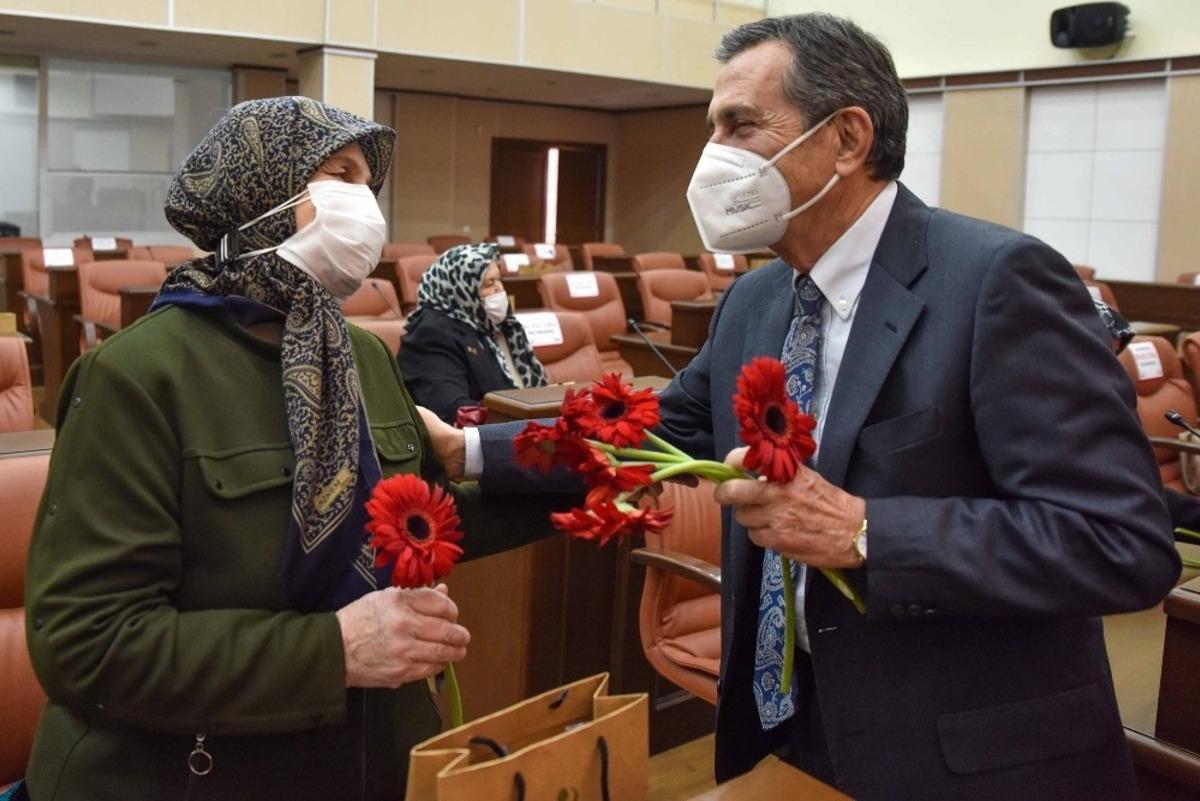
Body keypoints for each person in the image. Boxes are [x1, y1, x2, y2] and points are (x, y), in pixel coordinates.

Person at [425, 13, 1180, 801]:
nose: (711, 156)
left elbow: (1122, 540)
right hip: (793, 724)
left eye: (740, 125)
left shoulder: (998, 282)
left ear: (848, 138)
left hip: (971, 755)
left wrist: (863, 530)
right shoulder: (755, 299)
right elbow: (648, 429)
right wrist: (469, 451)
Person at [22, 97, 570, 801]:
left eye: (368, 184)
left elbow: (428, 517)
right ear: (260, 196)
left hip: (366, 756)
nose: (364, 203)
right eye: (339, 175)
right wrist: (334, 651)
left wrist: (592, 482)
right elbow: (86, 642)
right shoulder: (138, 374)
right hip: (194, 770)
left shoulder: (364, 356)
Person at [399, 243, 549, 424]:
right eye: (489, 283)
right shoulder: (431, 334)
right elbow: (456, 410)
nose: (500, 290)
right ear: (461, 290)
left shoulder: (505, 327)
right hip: (483, 440)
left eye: (499, 280)